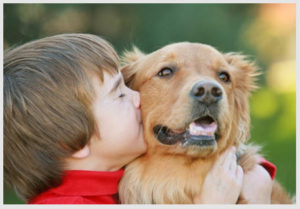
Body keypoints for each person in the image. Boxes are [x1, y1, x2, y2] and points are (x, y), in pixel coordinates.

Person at [4, 33, 275, 204]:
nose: (137, 98)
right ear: (73, 141)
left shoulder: (112, 177)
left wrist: (257, 173)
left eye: (222, 79)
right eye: (120, 94)